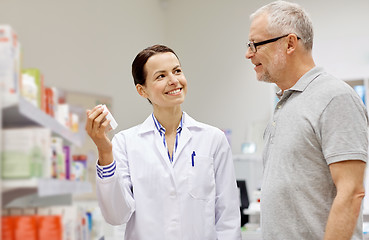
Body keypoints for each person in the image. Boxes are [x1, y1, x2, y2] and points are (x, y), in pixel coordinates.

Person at [85, 44, 241, 240]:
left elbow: (228, 217)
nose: (174, 80)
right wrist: (104, 151)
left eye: (177, 71)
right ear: (142, 91)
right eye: (161, 76)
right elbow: (116, 215)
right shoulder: (125, 143)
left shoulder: (212, 139)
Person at [246, 1, 368, 240]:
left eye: (255, 44)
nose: (248, 53)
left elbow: (352, 192)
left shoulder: (335, 97)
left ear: (290, 43)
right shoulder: (285, 104)